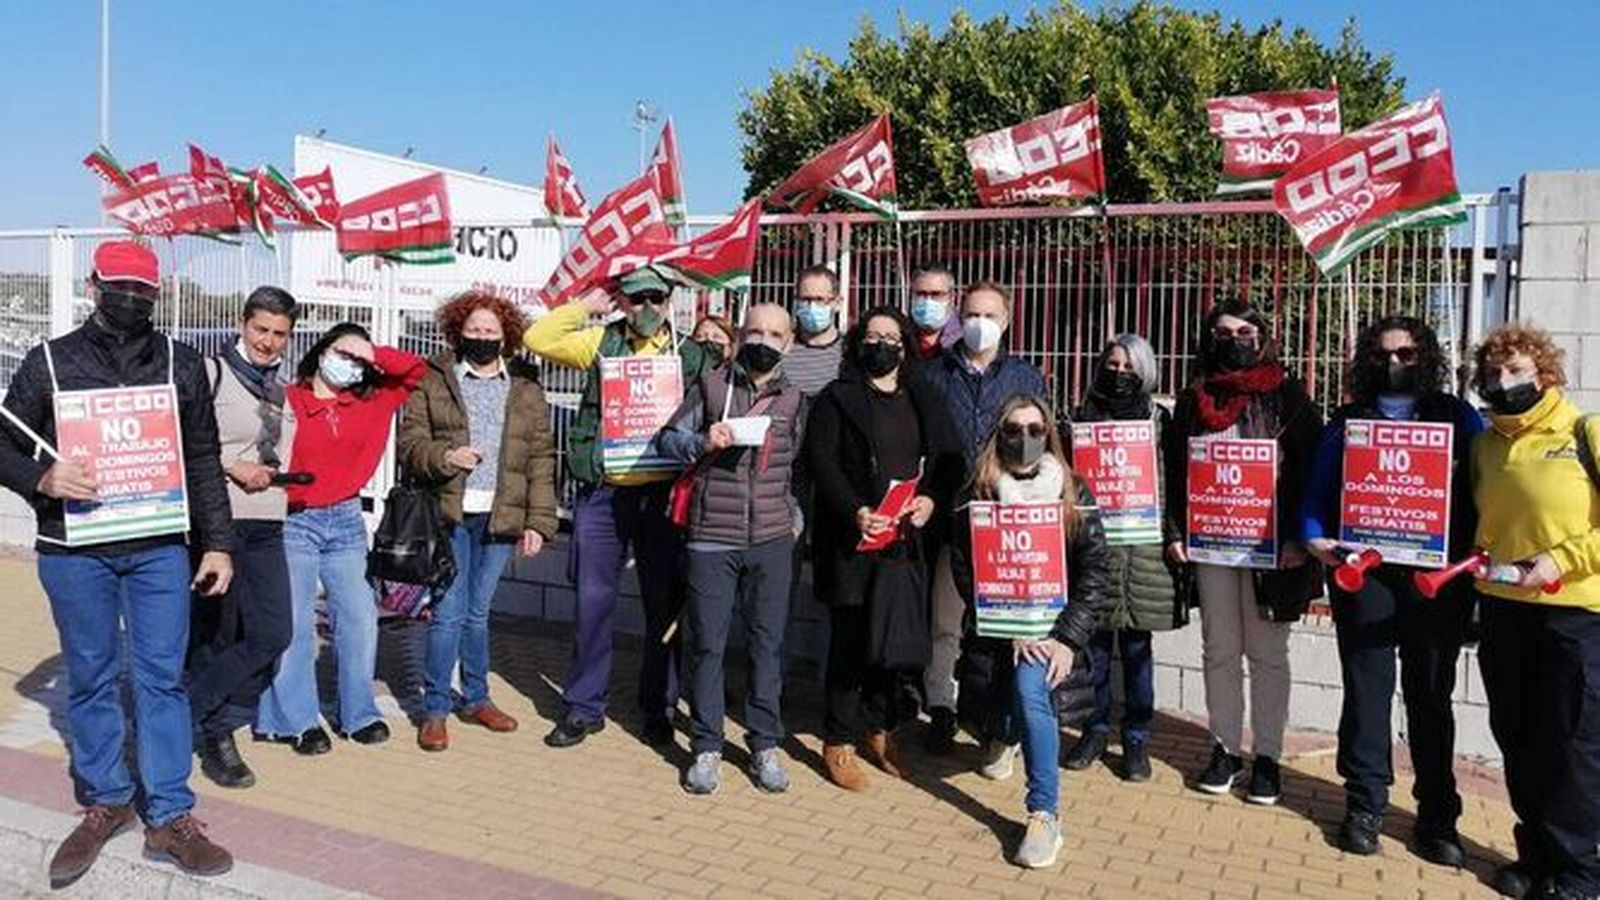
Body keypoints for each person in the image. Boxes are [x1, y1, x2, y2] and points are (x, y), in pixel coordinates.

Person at [0, 240, 236, 881]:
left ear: (156, 297)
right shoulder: (47, 363)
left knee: (161, 679)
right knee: (92, 675)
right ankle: (107, 802)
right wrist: (40, 479)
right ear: (93, 283)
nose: (130, 300)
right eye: (120, 287)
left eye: (143, 291)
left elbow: (204, 460)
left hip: (160, 548)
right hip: (76, 552)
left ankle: (168, 814)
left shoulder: (181, 366)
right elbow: (3, 443)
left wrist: (218, 542)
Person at [1300, 316, 1482, 864]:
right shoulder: (1349, 420)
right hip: (1367, 575)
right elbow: (1314, 496)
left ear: (1425, 356)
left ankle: (1437, 817)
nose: (1394, 364)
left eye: (1405, 354)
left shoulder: (1458, 416)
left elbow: (1487, 491)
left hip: (1436, 581)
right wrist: (1314, 540)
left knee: (1430, 696)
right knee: (1367, 691)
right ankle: (1364, 804)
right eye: (1382, 355)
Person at [523, 269, 712, 748]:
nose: (646, 307)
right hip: (604, 494)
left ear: (670, 300)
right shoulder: (599, 343)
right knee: (591, 603)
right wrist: (585, 307)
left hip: (663, 496)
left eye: (655, 297)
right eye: (636, 299)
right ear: (623, 303)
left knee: (664, 606)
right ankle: (584, 707)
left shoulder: (689, 355)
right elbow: (537, 336)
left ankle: (659, 707)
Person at [1166, 298, 1322, 806]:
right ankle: (1224, 748)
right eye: (1223, 332)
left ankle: (1269, 757)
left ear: (1262, 337)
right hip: (1210, 546)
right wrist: (1175, 531)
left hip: (1271, 549)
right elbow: (1173, 470)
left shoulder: (1288, 396)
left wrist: (1300, 537)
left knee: (1268, 653)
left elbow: (1311, 470)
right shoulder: (1195, 399)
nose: (1234, 340)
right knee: (1219, 649)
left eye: (1245, 332)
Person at [805, 306, 963, 791]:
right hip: (854, 541)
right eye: (872, 336)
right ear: (857, 343)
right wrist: (854, 509)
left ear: (905, 346)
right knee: (851, 644)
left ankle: (880, 729)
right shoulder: (838, 398)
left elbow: (950, 459)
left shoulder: (923, 395)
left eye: (892, 337)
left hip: (900, 544)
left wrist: (931, 500)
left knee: (890, 644)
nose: (882, 345)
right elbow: (822, 462)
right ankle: (837, 741)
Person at [949, 395, 1110, 868]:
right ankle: (1002, 736)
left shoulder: (1073, 492)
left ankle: (1044, 814)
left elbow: (1095, 571)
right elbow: (964, 564)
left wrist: (1066, 638)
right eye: (1013, 430)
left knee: (1029, 688)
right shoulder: (976, 492)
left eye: (1035, 429)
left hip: (1053, 630)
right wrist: (1000, 619)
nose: (1024, 439)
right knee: (1002, 700)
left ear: (1050, 434)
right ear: (999, 435)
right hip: (998, 624)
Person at [1468, 324, 1600, 900]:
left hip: (1575, 613)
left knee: (1573, 744)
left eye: (1517, 371)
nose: (1504, 382)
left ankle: (1580, 872)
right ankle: (1535, 856)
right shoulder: (1485, 444)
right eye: (1494, 374)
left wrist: (1561, 561)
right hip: (1503, 609)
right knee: (1518, 735)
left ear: (1544, 373)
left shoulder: (1584, 431)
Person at [399, 291, 559, 752]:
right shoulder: (434, 379)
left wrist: (539, 521)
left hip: (501, 516)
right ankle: (434, 709)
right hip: (450, 513)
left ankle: (476, 698)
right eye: (474, 330)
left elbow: (541, 458)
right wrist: (445, 456)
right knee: (448, 613)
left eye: (491, 331)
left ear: (506, 335)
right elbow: (410, 443)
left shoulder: (526, 387)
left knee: (478, 612)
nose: (483, 337)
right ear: (457, 332)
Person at [254, 323, 425, 753]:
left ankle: (359, 714)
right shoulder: (288, 400)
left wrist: (370, 350)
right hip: (296, 519)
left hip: (347, 519)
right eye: (340, 353)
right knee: (294, 624)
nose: (347, 364)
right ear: (320, 351)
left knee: (359, 617)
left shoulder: (374, 401)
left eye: (356, 360)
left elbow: (415, 371)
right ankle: (293, 720)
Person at [657, 304, 805, 794]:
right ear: (742, 335)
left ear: (789, 342)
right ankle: (706, 746)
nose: (765, 339)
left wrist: (792, 520)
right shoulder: (712, 386)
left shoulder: (796, 398)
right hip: (711, 537)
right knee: (707, 645)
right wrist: (702, 440)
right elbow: (666, 440)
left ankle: (765, 743)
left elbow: (801, 468)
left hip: (770, 540)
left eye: (775, 333)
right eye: (756, 330)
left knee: (766, 645)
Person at [917, 279, 1047, 754]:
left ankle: (998, 720)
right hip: (948, 516)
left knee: (999, 627)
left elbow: (1043, 445)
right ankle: (940, 706)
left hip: (1005, 520)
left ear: (1006, 322)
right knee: (945, 619)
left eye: (990, 316)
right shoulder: (934, 374)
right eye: (972, 314)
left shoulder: (1025, 378)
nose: (980, 324)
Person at [186, 287, 300, 790]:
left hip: (267, 524)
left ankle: (182, 712)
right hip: (219, 522)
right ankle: (213, 735)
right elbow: (188, 447)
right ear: (242, 323)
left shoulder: (280, 388)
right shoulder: (211, 374)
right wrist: (234, 466)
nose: (268, 342)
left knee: (273, 632)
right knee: (216, 635)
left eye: (279, 334)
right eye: (261, 330)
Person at [1064, 334, 1184, 783]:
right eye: (1112, 364)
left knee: (1136, 651)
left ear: (1146, 372)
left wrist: (1173, 535)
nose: (1119, 373)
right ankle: (1094, 730)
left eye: (1129, 367)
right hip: (1093, 548)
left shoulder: (1159, 422)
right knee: (1093, 649)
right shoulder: (1081, 418)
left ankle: (1136, 739)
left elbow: (1173, 483)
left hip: (1143, 552)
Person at [783, 265, 845, 397]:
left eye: (819, 299)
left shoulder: (850, 351)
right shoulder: (782, 348)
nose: (812, 306)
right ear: (796, 301)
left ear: (837, 303)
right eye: (805, 299)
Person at [908, 264, 961, 361]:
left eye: (936, 294)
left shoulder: (965, 338)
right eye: (921, 294)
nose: (928, 301)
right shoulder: (899, 335)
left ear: (952, 297)